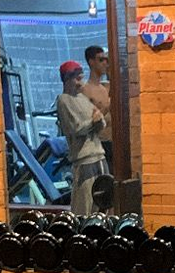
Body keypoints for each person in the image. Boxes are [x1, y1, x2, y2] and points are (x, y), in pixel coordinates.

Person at [56, 60, 107, 215]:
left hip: (99, 155)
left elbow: (100, 120)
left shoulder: (82, 98)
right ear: (67, 79)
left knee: (103, 204)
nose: (80, 83)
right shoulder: (64, 100)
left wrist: (98, 121)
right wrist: (93, 121)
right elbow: (75, 129)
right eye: (77, 79)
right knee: (85, 205)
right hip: (84, 159)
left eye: (81, 78)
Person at [81, 45, 113, 172]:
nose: (105, 63)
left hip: (112, 142)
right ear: (91, 62)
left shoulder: (105, 88)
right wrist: (106, 108)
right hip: (98, 144)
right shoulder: (85, 90)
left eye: (106, 60)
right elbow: (88, 121)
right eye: (101, 60)